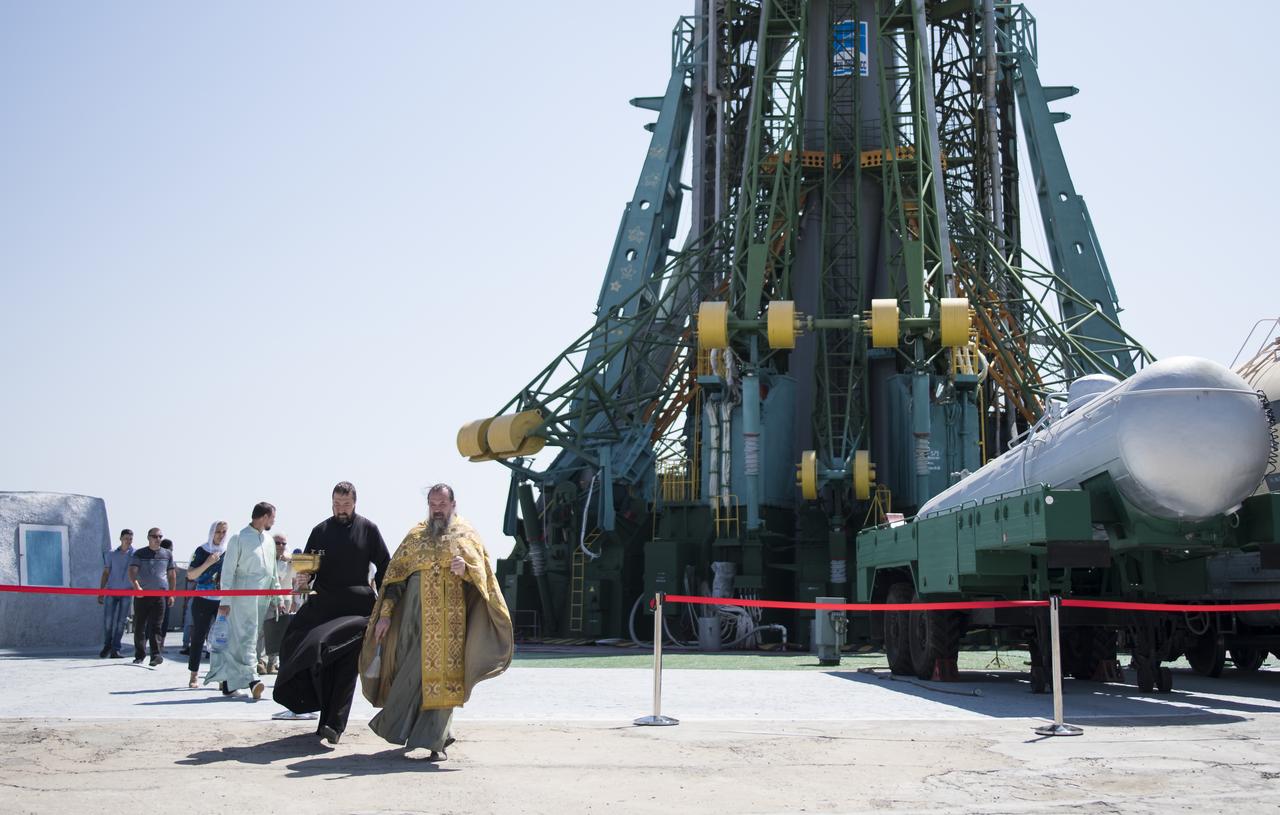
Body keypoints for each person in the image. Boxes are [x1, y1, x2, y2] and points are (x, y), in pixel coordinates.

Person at [359, 484, 512, 761]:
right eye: (432, 503)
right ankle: (408, 729)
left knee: (445, 681)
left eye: (442, 503)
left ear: (453, 504)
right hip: (412, 621)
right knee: (409, 676)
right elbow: (395, 579)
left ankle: (436, 741)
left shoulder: (466, 534)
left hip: (450, 625)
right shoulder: (415, 535)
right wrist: (385, 615)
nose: (437, 508)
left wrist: (466, 570)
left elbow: (484, 576)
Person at [273, 481, 390, 743]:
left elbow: (385, 565)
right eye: (337, 504)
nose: (341, 510)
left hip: (358, 610)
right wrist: (303, 578)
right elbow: (306, 567)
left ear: (355, 503)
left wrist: (386, 605)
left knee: (347, 665)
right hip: (324, 608)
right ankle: (322, 719)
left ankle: (334, 726)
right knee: (315, 655)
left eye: (346, 505)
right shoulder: (320, 530)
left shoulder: (368, 529)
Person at [205, 502, 279, 700]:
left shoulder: (269, 541)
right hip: (242, 597)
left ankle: (229, 684)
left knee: (250, 638)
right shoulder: (238, 538)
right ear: (264, 517)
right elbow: (228, 572)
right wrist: (226, 601)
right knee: (246, 637)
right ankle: (253, 679)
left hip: (262, 598)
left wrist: (278, 595)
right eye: (272, 517)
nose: (273, 521)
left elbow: (272, 571)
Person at [184, 521, 228, 689]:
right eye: (218, 531)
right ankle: (193, 674)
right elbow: (191, 575)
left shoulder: (227, 552)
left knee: (222, 639)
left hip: (222, 601)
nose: (221, 535)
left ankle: (221, 676)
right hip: (202, 599)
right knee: (198, 637)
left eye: (224, 532)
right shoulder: (202, 550)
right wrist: (208, 563)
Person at [127, 528, 176, 667]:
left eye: (160, 536)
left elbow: (172, 575)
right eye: (155, 536)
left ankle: (155, 655)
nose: (158, 539)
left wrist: (172, 594)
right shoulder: (139, 553)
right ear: (148, 537)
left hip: (160, 595)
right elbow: (132, 571)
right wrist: (136, 587)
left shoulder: (167, 554)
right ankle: (139, 654)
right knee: (140, 626)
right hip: (142, 594)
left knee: (156, 626)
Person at [260, 534, 295, 674]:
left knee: (280, 631)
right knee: (263, 631)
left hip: (285, 598)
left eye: (283, 543)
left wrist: (289, 558)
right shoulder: (265, 557)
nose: (280, 545)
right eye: (277, 543)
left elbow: (301, 563)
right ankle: (260, 661)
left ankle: (272, 663)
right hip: (266, 598)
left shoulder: (288, 559)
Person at [98, 529, 134, 658]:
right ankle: (107, 645)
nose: (128, 541)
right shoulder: (111, 554)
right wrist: (101, 591)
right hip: (111, 591)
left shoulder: (135, 555)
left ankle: (116, 649)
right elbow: (106, 573)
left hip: (126, 592)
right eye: (126, 538)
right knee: (108, 621)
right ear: (120, 538)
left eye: (130, 539)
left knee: (121, 622)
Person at [158, 538, 175, 651]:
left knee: (164, 620)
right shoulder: (162, 559)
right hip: (161, 592)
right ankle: (160, 645)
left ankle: (161, 645)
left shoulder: (168, 560)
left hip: (165, 592)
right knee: (159, 620)